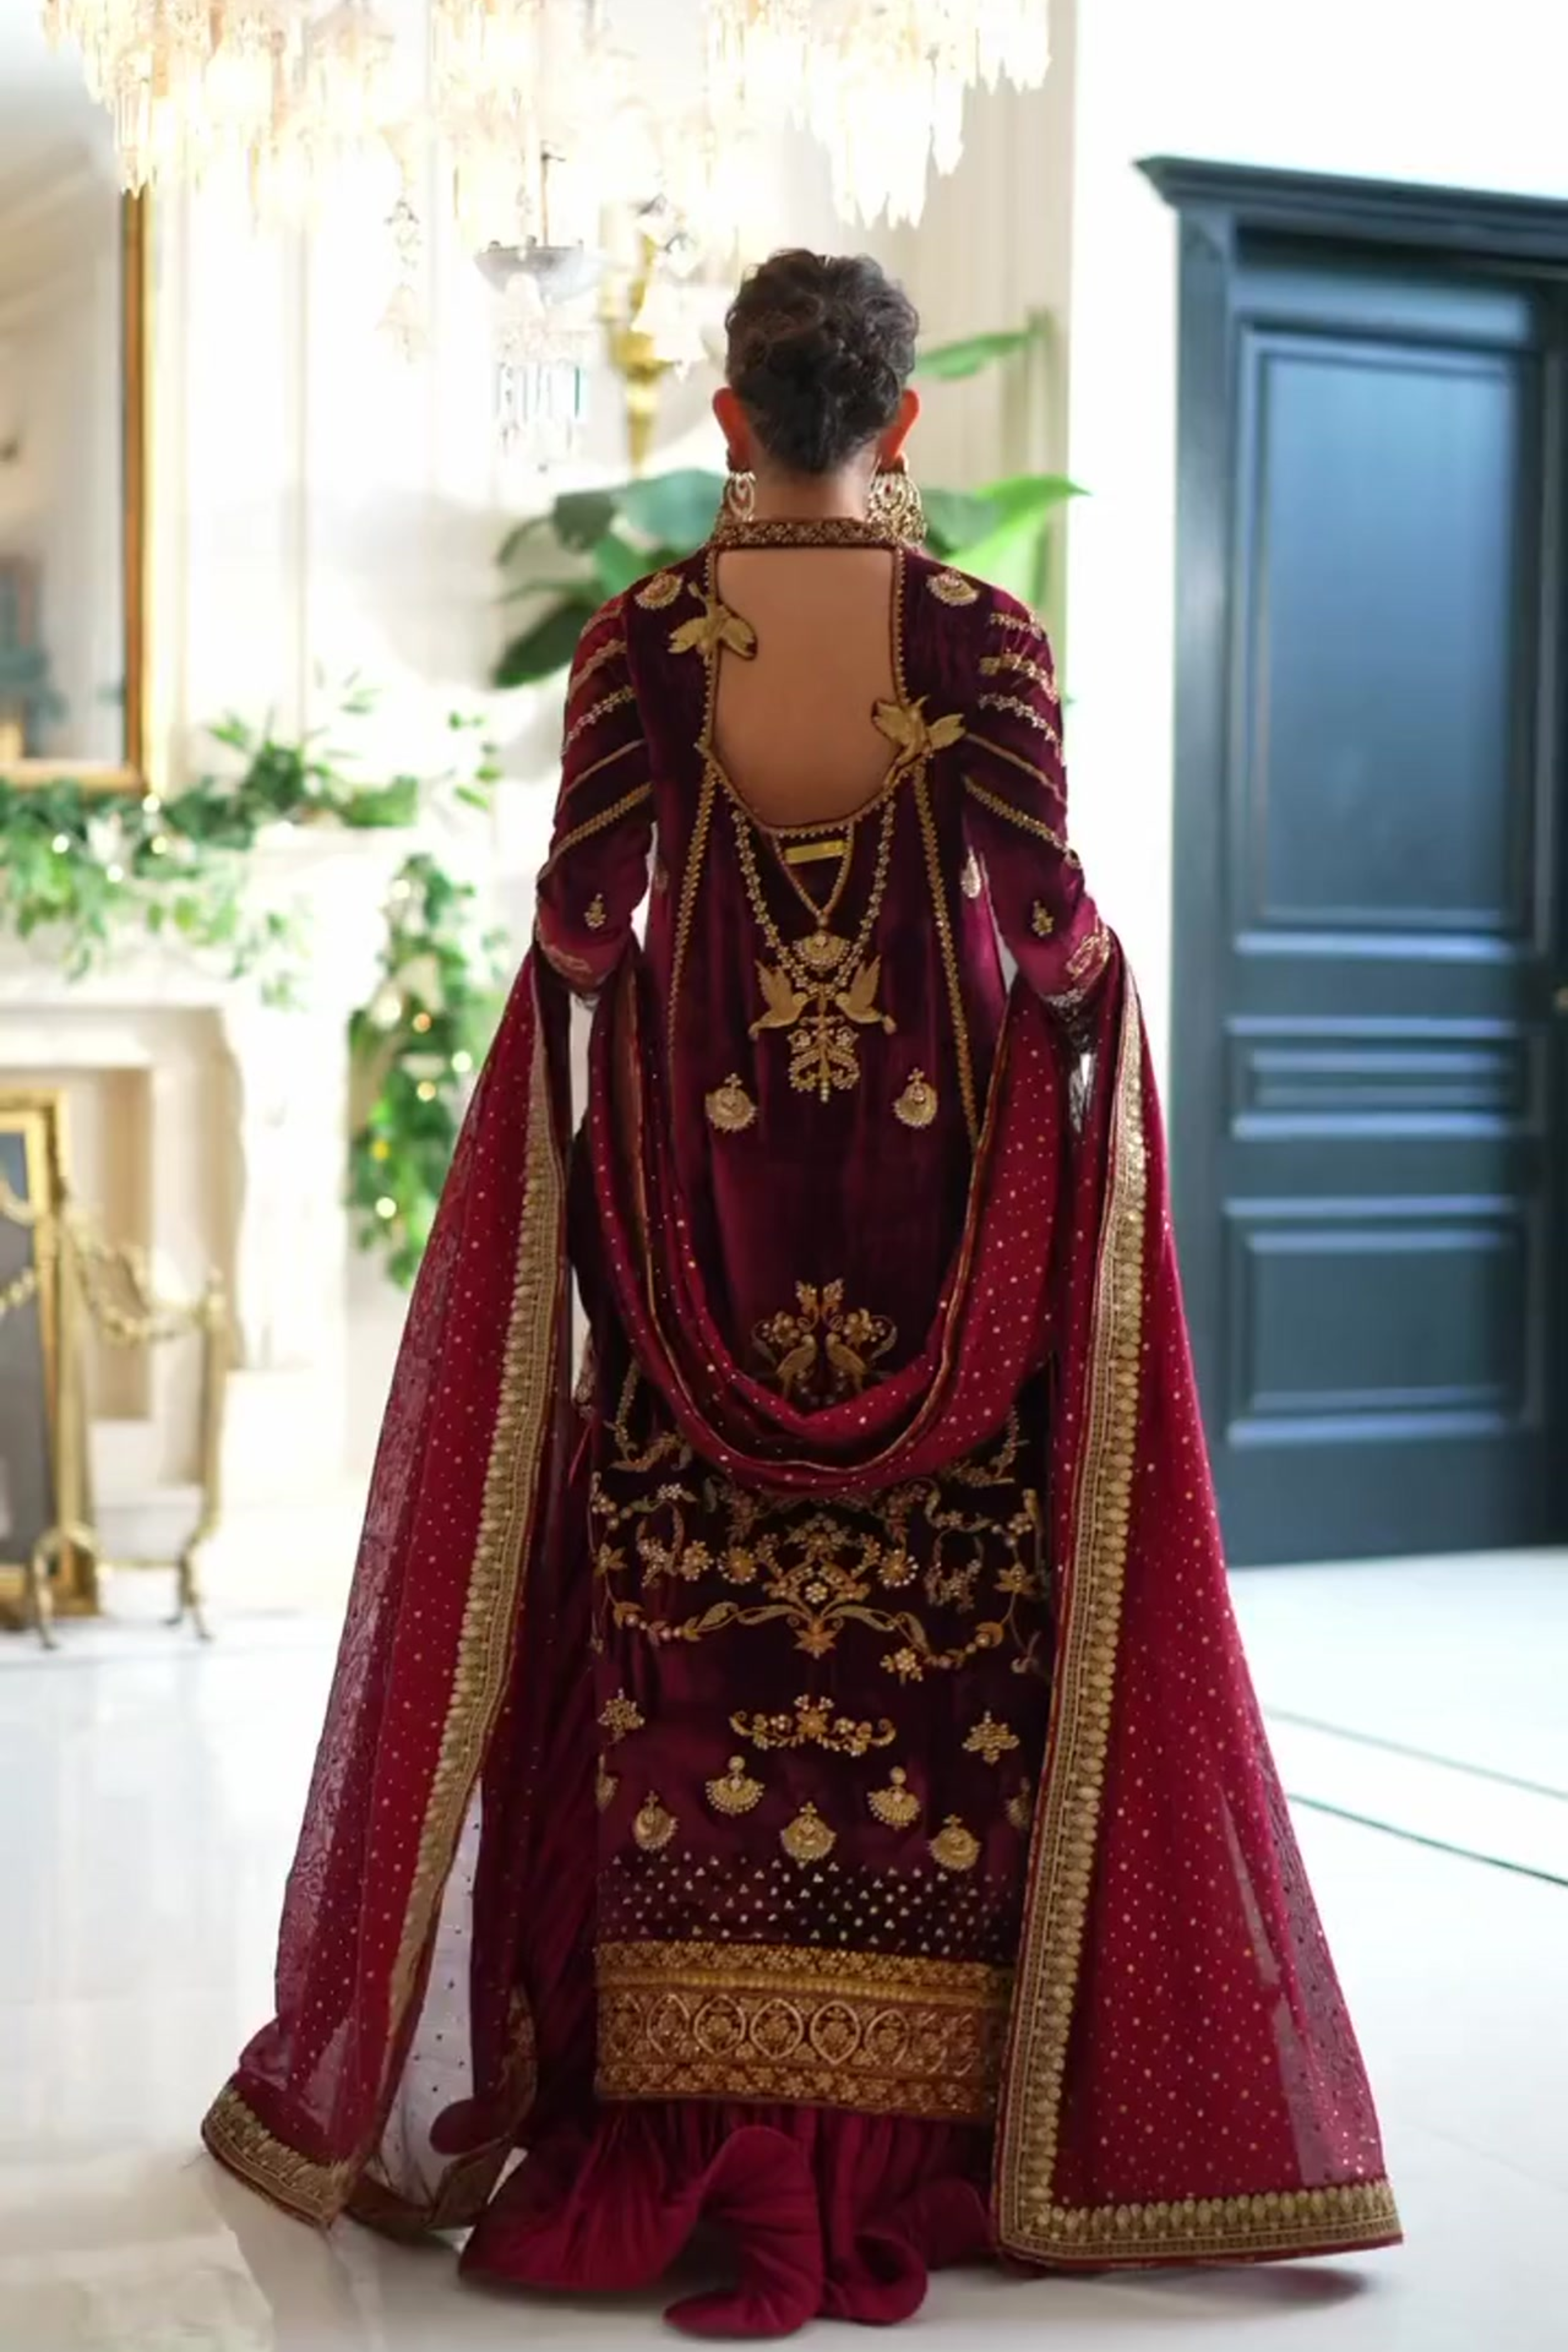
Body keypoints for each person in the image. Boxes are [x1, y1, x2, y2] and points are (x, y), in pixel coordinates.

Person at [203, 251, 1399, 2337]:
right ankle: (926, 2128)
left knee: (690, 1639)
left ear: (730, 419)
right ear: (906, 424)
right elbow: (1049, 940)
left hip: (699, 1235)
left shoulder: (642, 643)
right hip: (939, 1244)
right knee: (950, 1636)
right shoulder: (981, 639)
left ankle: (682, 2110)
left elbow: (582, 933)